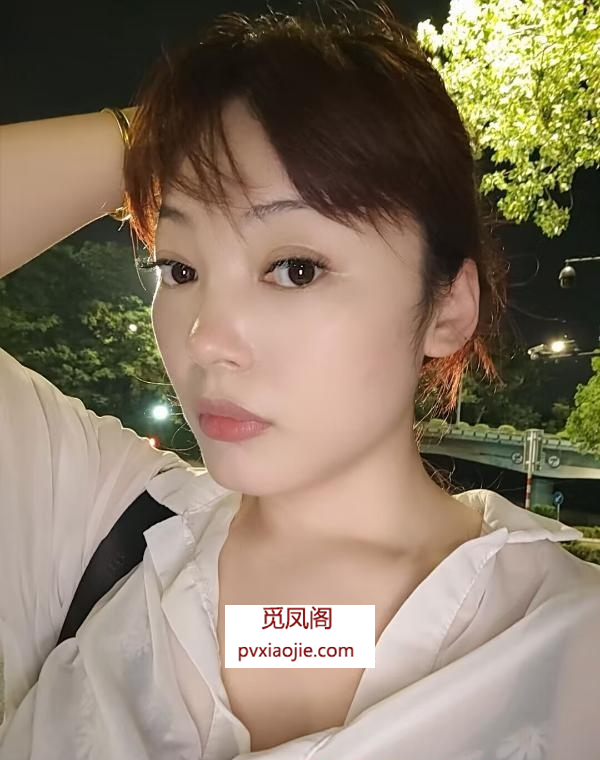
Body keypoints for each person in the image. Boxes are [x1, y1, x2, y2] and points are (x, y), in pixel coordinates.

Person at [1, 4, 599, 759]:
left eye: (295, 269)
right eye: (179, 269)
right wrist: (158, 136)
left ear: (448, 308)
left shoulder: (569, 644)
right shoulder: (102, 523)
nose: (206, 338)